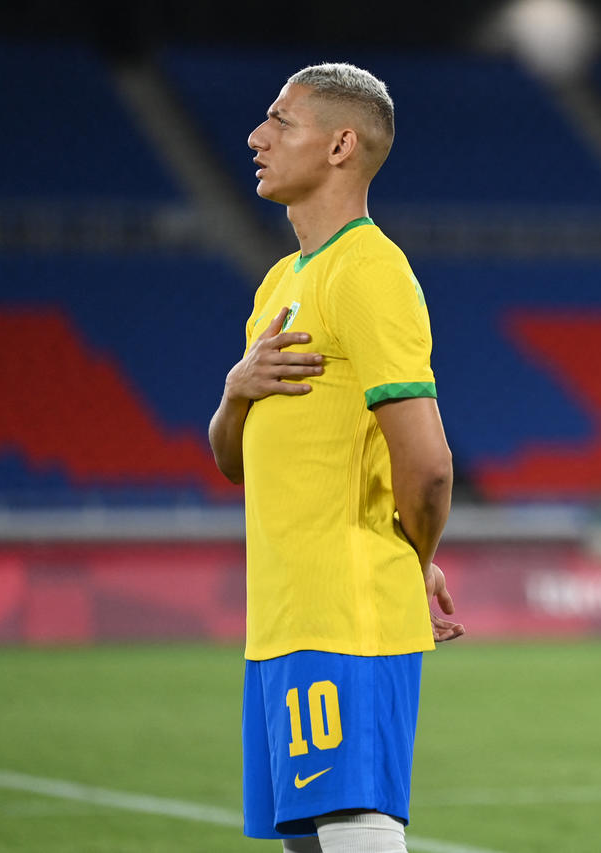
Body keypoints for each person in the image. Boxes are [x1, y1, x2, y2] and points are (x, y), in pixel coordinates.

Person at [208, 62, 463, 853]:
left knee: (353, 822)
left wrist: (411, 557)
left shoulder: (369, 272)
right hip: (283, 618)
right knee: (311, 839)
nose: (257, 136)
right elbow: (233, 460)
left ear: (342, 144)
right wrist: (236, 391)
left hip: (344, 612)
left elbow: (428, 467)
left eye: (281, 121)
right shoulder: (282, 281)